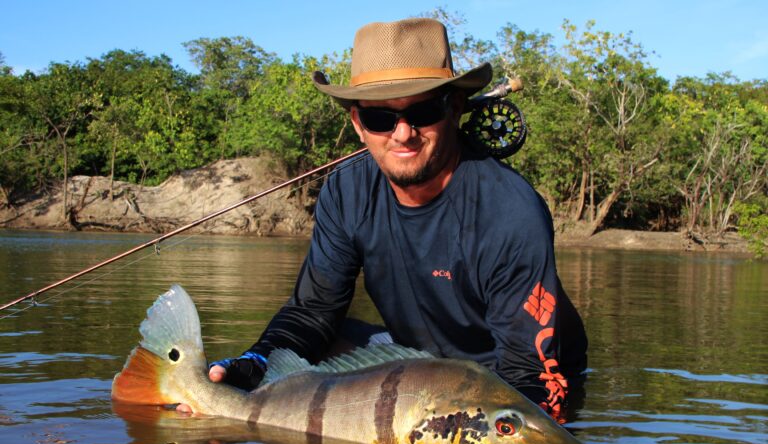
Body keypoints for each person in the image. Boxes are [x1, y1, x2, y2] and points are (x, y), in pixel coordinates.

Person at [183, 17, 588, 419]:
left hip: (510, 374)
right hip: (418, 365)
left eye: (424, 110)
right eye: (381, 117)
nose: (403, 133)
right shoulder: (346, 192)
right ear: (359, 124)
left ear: (455, 109)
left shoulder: (509, 210)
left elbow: (528, 374)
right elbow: (312, 312)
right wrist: (254, 366)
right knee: (313, 347)